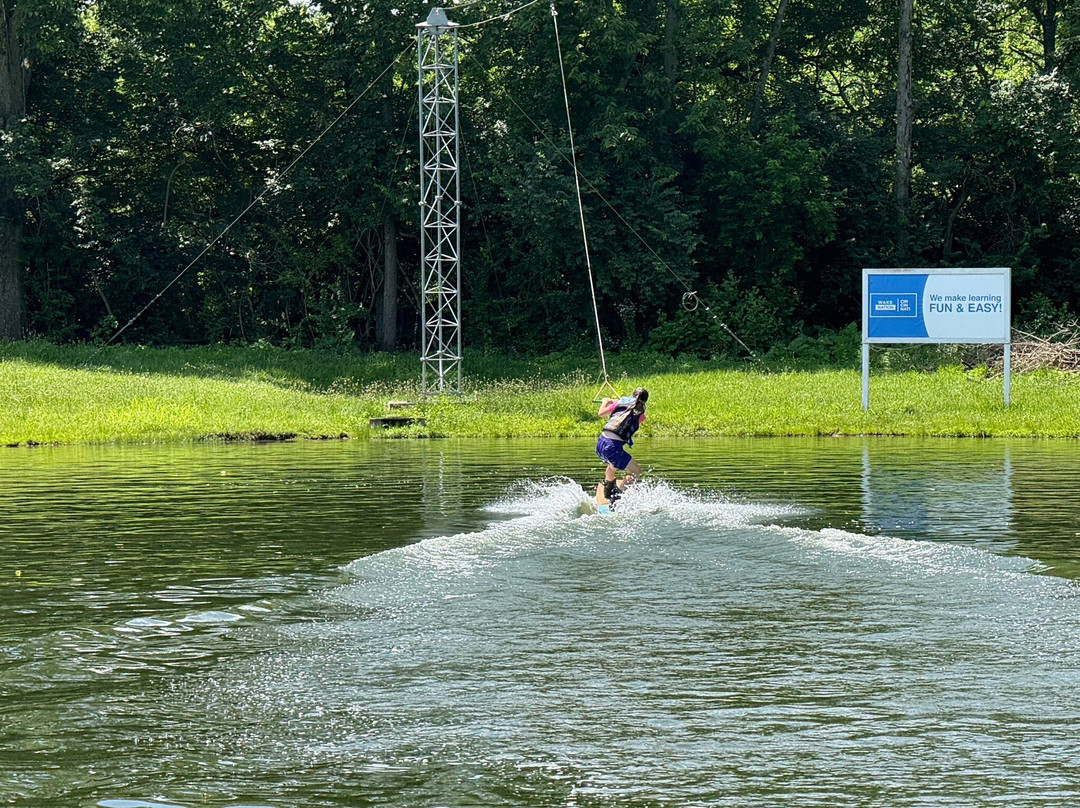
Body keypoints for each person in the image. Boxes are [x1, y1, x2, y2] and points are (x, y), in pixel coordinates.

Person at [594, 387, 648, 506]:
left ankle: (608, 487)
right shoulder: (641, 416)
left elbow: (601, 413)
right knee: (636, 472)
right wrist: (614, 401)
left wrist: (605, 402)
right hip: (613, 447)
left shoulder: (619, 403)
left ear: (631, 395)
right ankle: (617, 496)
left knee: (613, 463)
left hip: (601, 443)